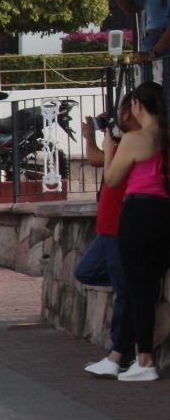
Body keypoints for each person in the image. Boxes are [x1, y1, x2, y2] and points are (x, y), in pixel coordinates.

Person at [101, 81, 170, 381]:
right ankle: (122, 358)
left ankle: (144, 360)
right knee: (148, 286)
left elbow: (112, 180)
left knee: (137, 289)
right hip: (164, 214)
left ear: (139, 106)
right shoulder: (166, 137)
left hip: (137, 214)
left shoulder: (134, 139)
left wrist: (108, 150)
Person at [75, 99, 138, 376]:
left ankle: (119, 353)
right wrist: (103, 136)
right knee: (86, 271)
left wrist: (96, 139)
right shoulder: (124, 140)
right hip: (108, 228)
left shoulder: (135, 143)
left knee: (126, 293)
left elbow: (98, 160)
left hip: (119, 228)